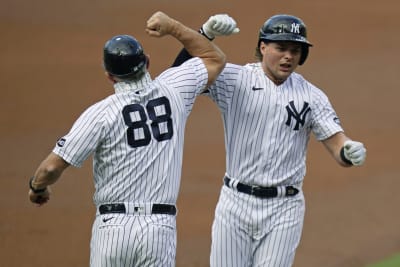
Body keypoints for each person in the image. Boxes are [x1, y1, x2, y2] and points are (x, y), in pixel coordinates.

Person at [28, 11, 226, 267]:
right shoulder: (173, 89)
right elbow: (213, 57)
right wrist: (177, 28)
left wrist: (37, 188)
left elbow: (51, 167)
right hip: (158, 229)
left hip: (112, 230)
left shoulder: (100, 114)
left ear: (110, 75)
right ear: (147, 62)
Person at [172, 14, 367, 267]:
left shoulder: (312, 96)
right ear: (263, 47)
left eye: (295, 50)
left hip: (284, 208)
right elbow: (178, 78)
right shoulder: (235, 79)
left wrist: (349, 151)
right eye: (281, 48)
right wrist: (205, 33)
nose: (288, 56)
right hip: (235, 204)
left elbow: (338, 145)